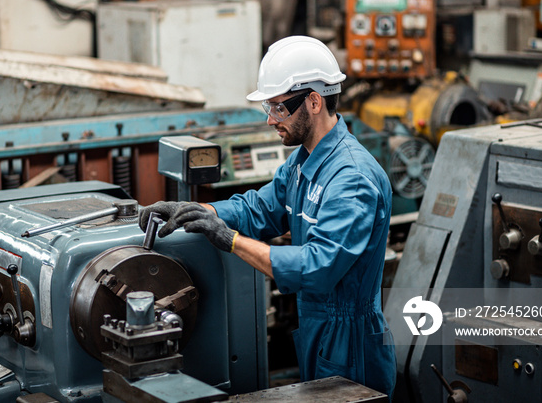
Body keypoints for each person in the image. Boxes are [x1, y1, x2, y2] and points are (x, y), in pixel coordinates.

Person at [138, 36, 396, 396]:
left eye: (278, 108)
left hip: (350, 341)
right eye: (269, 109)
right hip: (318, 329)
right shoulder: (305, 161)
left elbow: (317, 267)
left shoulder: (351, 177)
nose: (271, 120)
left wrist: (230, 240)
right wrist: (199, 212)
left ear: (314, 101)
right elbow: (261, 208)